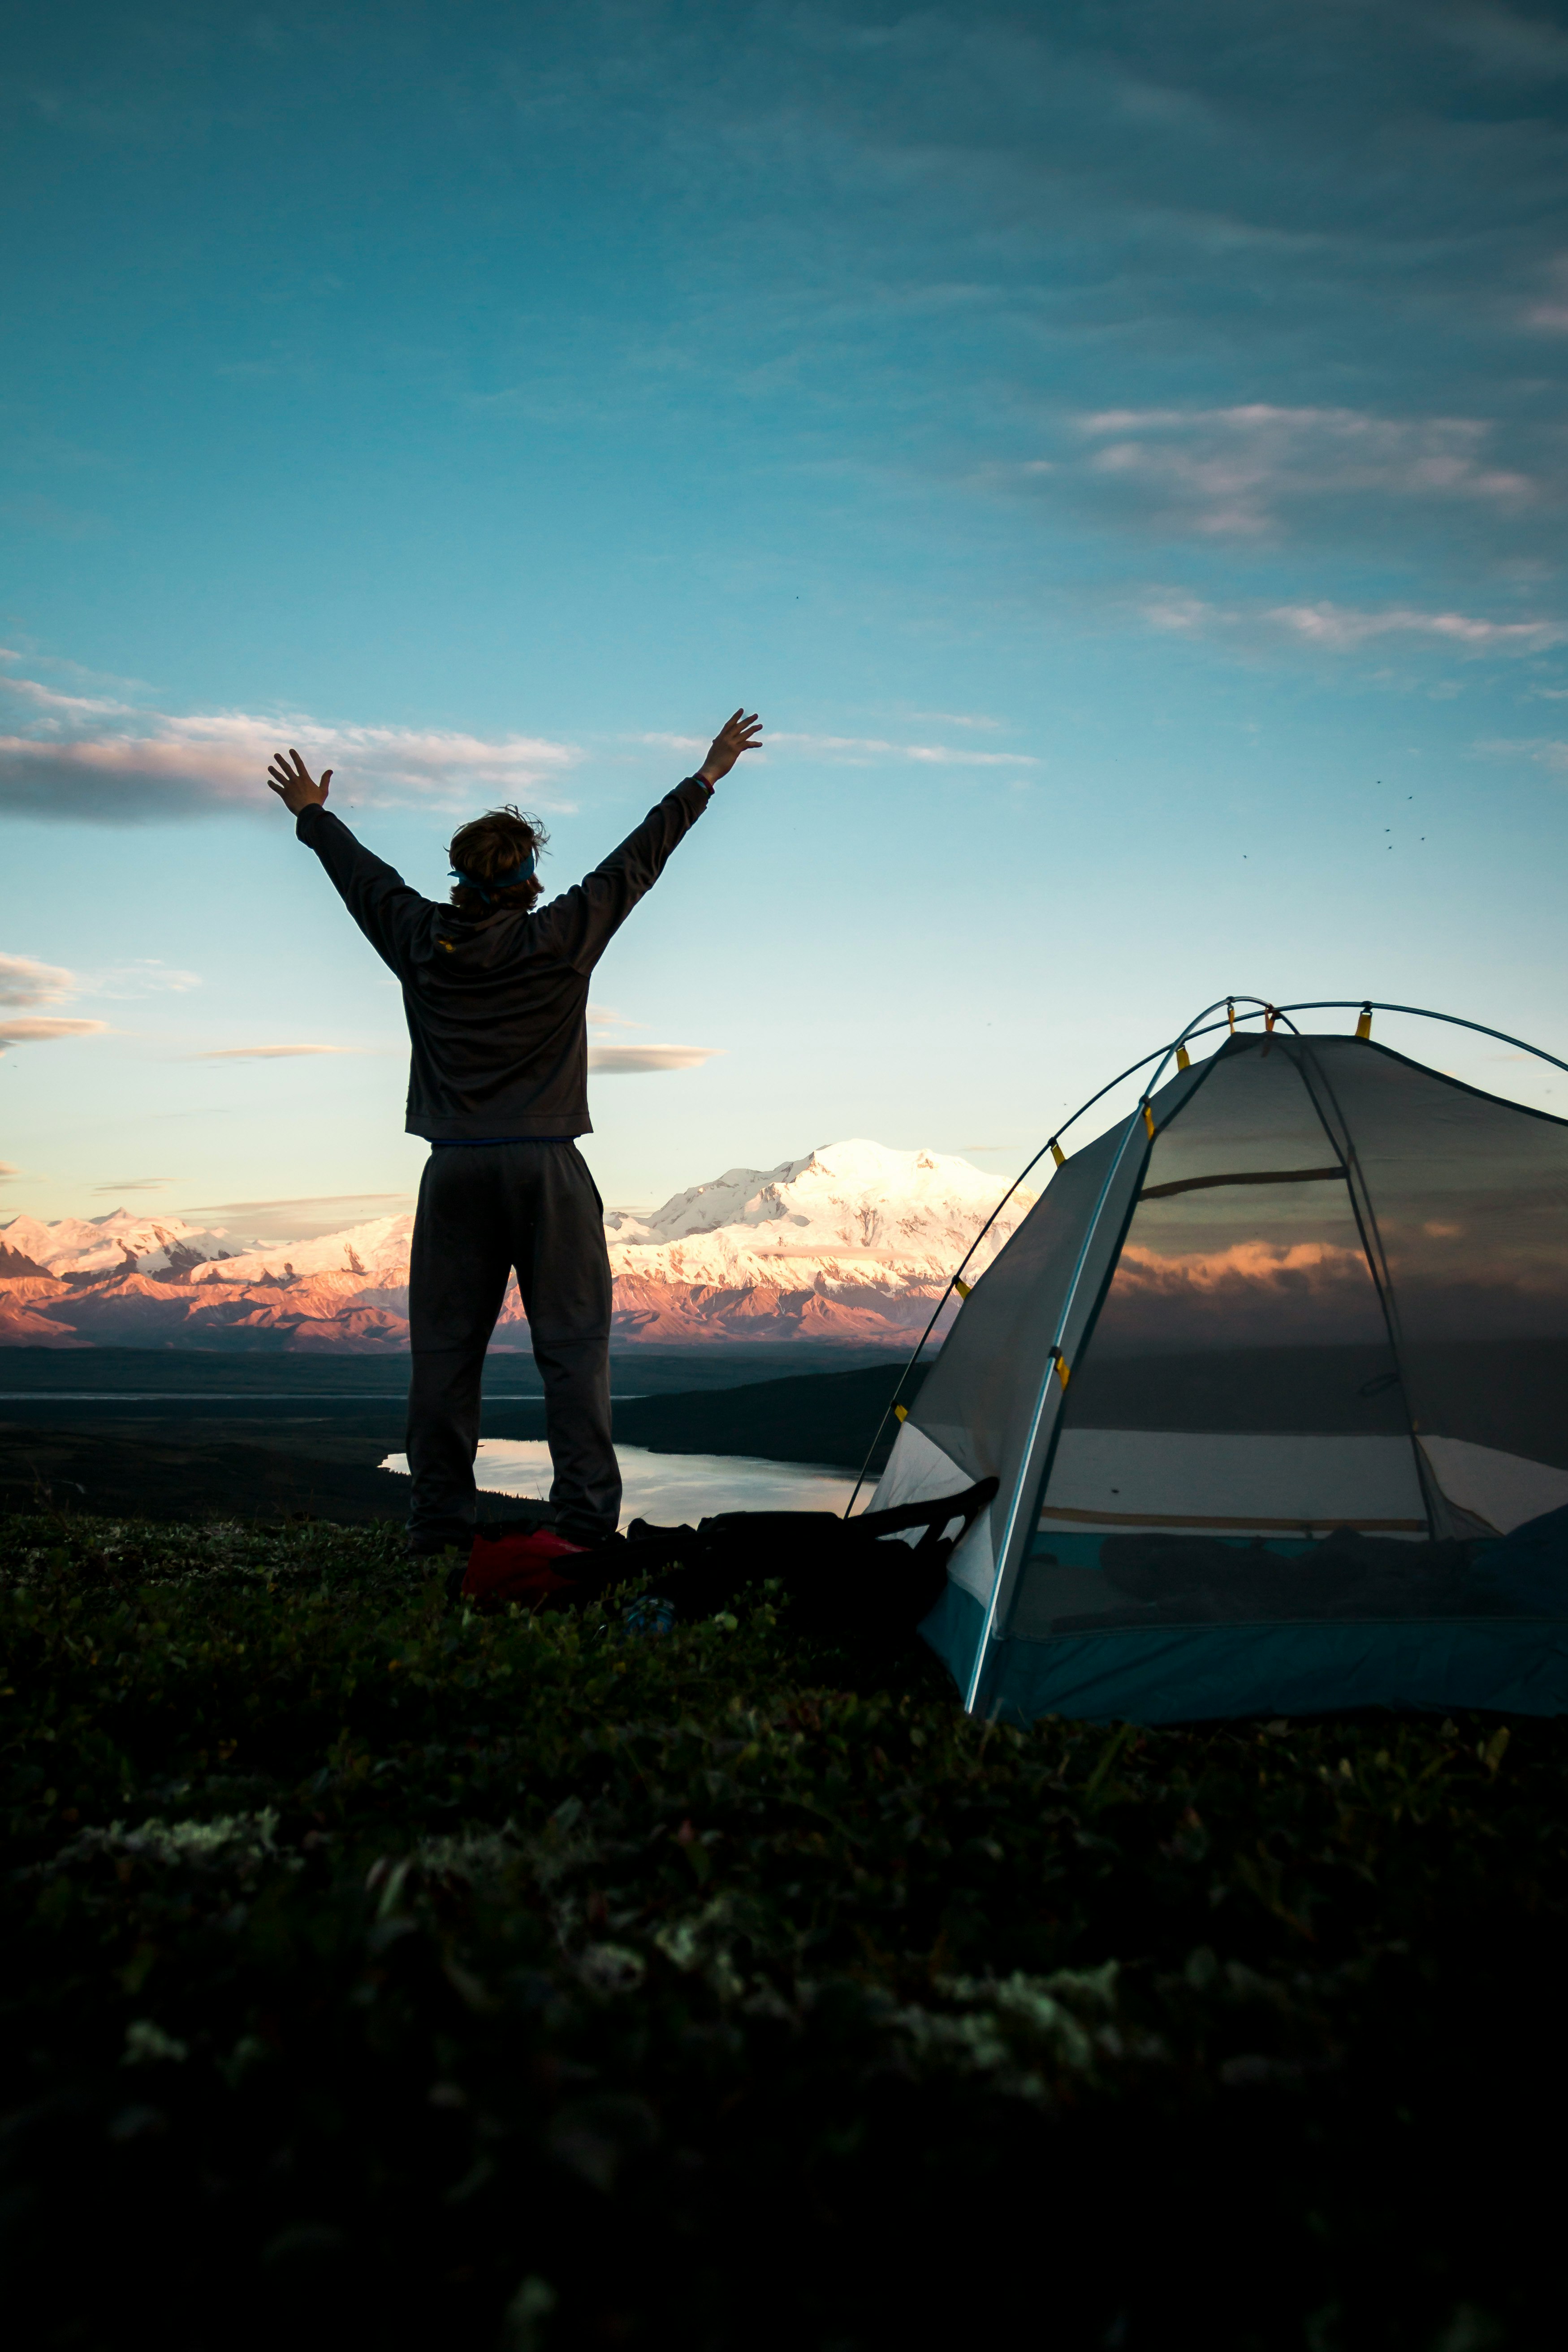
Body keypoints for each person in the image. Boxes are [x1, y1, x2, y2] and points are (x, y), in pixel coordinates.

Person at [265, 709, 762, 1575]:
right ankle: (580, 1529)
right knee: (572, 1352)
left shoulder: (421, 941)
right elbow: (637, 861)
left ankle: (437, 1529)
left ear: (458, 878)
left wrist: (312, 814)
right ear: (531, 881)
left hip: (454, 1171)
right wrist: (707, 775)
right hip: (547, 1169)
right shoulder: (562, 937)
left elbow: (363, 880)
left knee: (445, 1356)